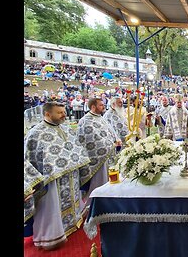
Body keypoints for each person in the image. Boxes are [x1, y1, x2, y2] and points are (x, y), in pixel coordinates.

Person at [24, 101, 90, 250]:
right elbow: (29, 158)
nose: (64, 114)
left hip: (70, 175)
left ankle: (72, 224)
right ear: (47, 114)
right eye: (59, 112)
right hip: (50, 181)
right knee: (51, 208)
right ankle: (51, 236)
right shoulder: (36, 133)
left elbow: (76, 148)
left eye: (64, 111)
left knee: (73, 202)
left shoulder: (65, 128)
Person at [77, 98, 122, 206]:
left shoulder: (101, 118)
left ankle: (110, 197)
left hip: (109, 155)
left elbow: (110, 131)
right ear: (93, 106)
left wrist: (116, 139)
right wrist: (111, 145)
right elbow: (92, 139)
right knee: (100, 181)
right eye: (101, 105)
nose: (104, 107)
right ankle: (98, 201)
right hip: (98, 159)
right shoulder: (85, 121)